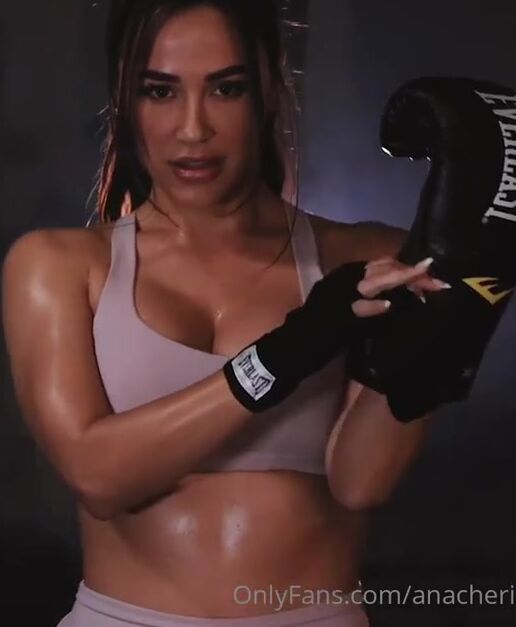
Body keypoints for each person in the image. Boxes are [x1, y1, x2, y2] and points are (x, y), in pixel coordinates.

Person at [1, 1, 449, 625]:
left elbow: (363, 483)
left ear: (270, 83)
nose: (192, 129)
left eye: (226, 88)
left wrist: (448, 317)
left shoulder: (369, 257)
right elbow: (98, 476)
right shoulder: (57, 265)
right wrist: (296, 346)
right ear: (125, 97)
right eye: (160, 91)